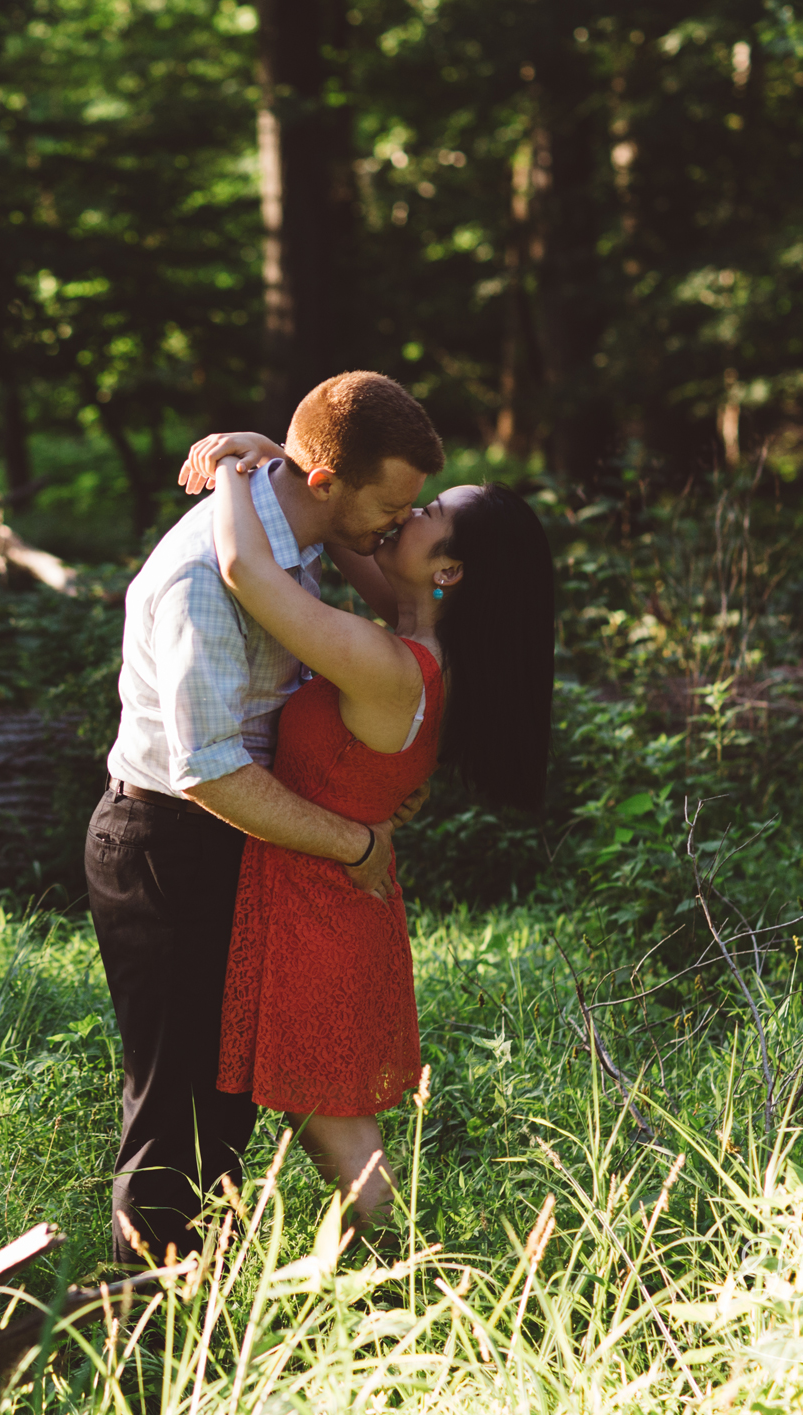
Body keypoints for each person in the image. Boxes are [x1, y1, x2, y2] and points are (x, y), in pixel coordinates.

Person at [87, 372, 445, 1268]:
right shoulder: (206, 572)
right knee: (173, 1112)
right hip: (167, 838)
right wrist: (354, 841)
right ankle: (151, 1353)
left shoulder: (303, 533)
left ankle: (215, 1339)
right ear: (328, 483)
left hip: (240, 839)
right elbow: (205, 767)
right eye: (390, 506)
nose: (398, 524)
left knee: (224, 1103)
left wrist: (258, 453)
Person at [178, 427, 555, 1233]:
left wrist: (235, 474)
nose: (405, 514)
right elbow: (350, 527)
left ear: (448, 570)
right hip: (329, 897)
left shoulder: (389, 664)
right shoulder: (427, 641)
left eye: (426, 512)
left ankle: (403, 1284)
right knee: (327, 1127)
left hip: (319, 908)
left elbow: (248, 571)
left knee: (340, 1135)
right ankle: (382, 1283)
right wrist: (293, 456)